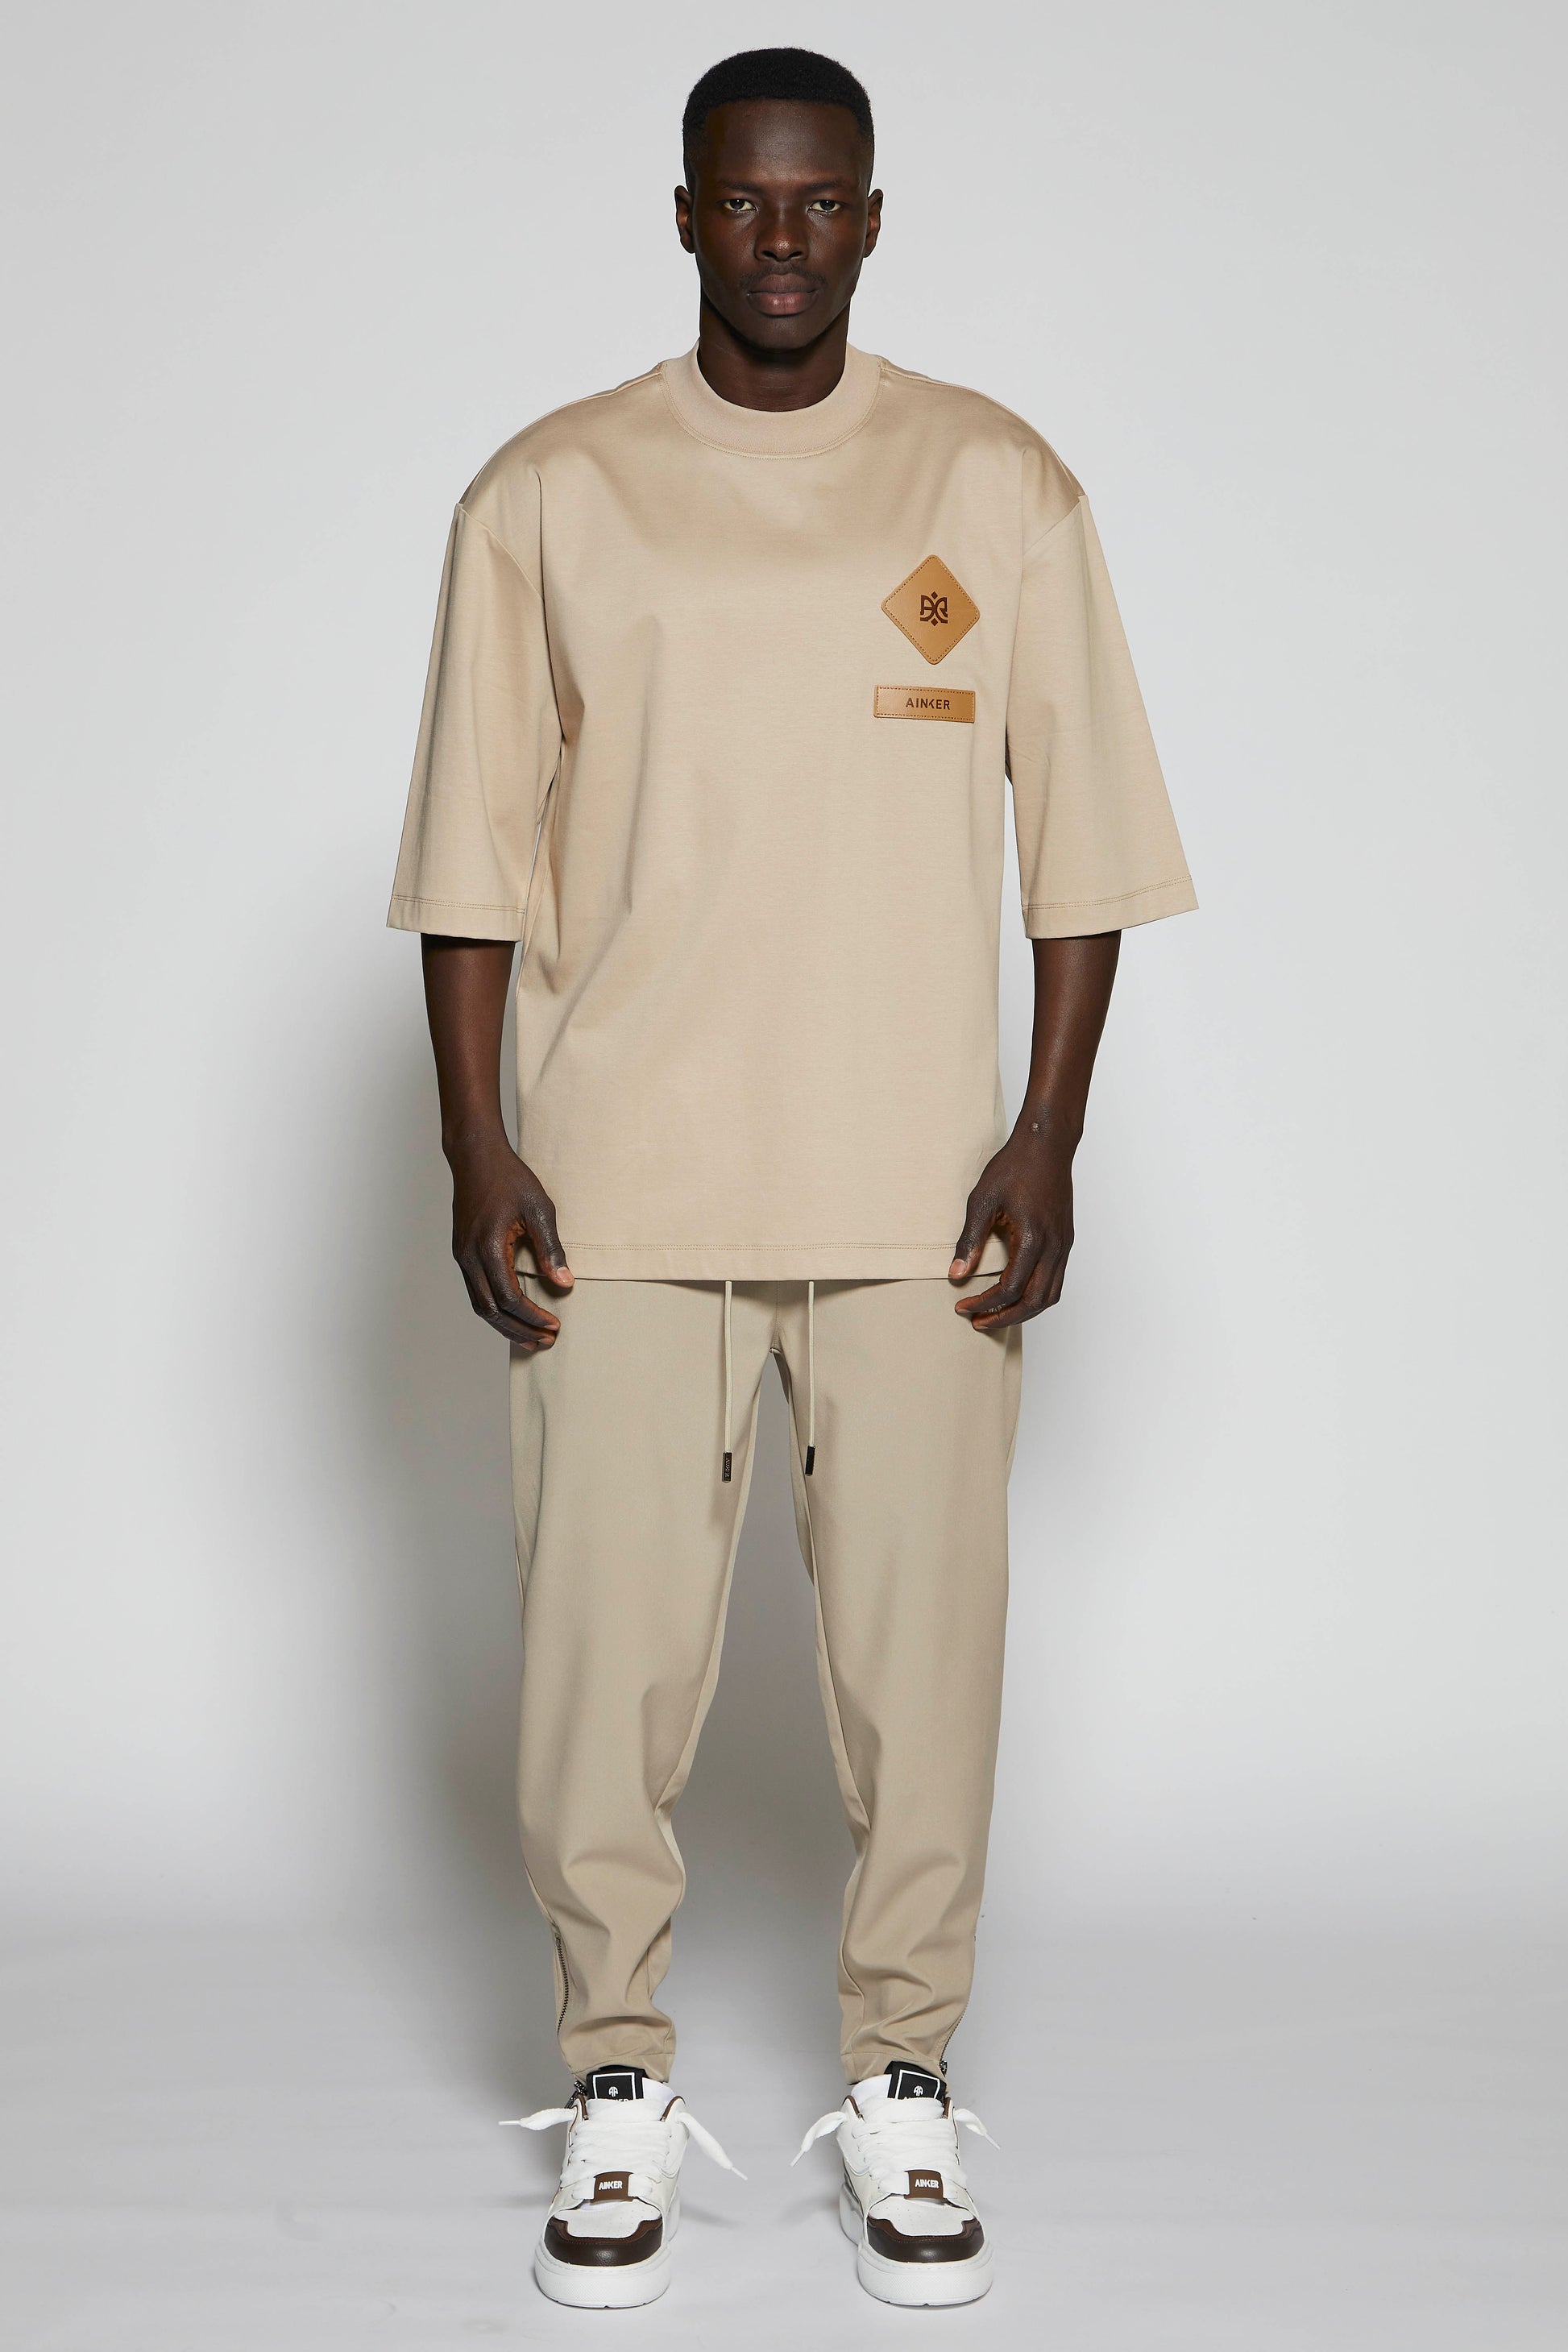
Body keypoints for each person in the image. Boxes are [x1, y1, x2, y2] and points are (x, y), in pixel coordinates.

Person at [389, 44, 1195, 2312]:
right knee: (596, 1672)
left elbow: (1086, 849)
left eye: (818, 201)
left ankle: (905, 2073)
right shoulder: (550, 493)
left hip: (919, 1195)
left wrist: (1046, 1135)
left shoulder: (994, 483)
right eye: (742, 202)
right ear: (681, 215)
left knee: (925, 1677)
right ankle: (614, 2077)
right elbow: (468, 859)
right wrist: (478, 1139)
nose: (780, 239)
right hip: (619, 1189)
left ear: (871, 216)